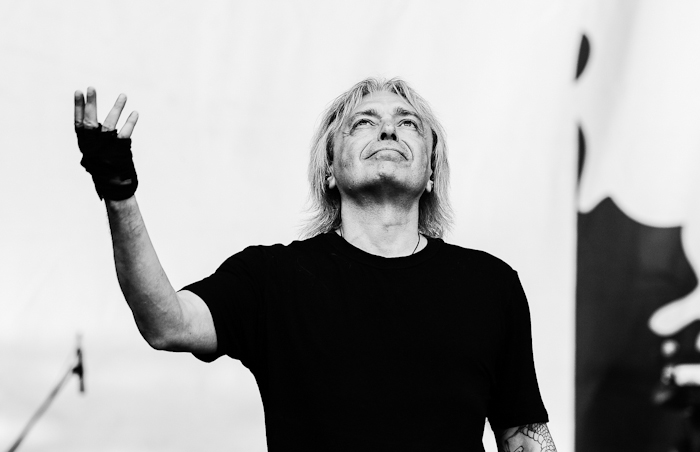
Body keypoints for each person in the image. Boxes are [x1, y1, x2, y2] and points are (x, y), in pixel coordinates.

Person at [74, 78, 556, 451]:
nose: (388, 129)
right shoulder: (273, 278)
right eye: (363, 122)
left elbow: (523, 435)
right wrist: (118, 191)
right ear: (329, 168)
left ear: (431, 171)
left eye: (408, 123)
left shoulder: (490, 286)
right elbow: (167, 324)